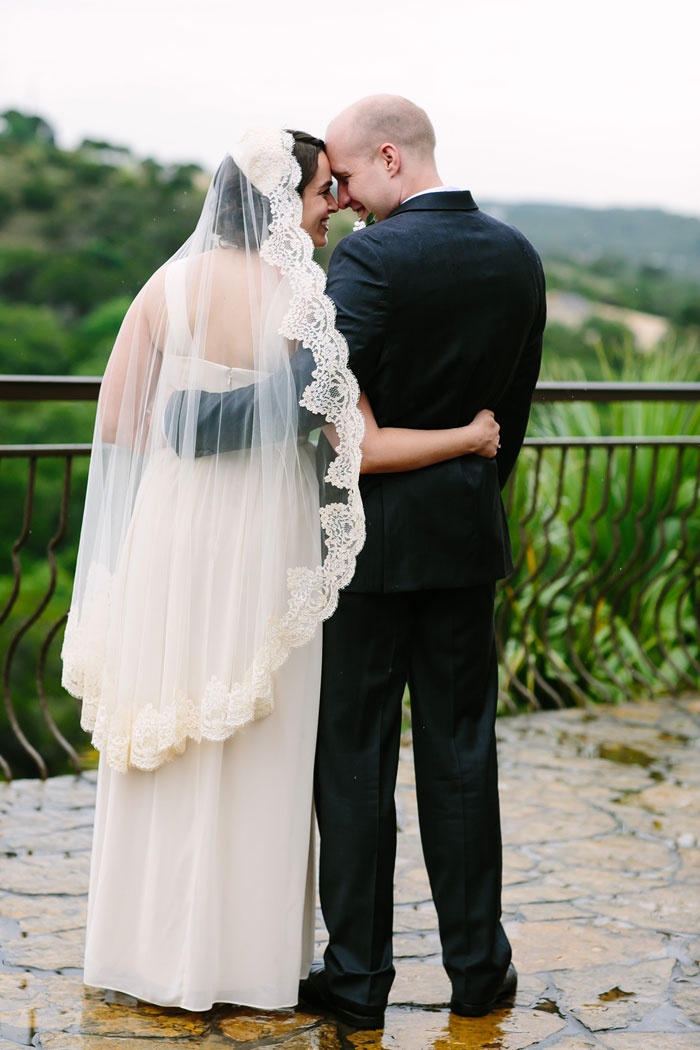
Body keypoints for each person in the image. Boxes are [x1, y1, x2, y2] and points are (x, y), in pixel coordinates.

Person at [62, 126, 501, 1013]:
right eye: (317, 194)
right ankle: (244, 960)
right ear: (280, 203)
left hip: (172, 531)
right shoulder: (303, 300)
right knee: (262, 738)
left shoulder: (166, 283)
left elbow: (118, 427)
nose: (329, 208)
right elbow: (359, 448)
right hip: (267, 538)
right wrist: (469, 436)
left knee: (169, 723)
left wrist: (190, 451)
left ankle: (140, 948)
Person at [184, 98, 546, 1029]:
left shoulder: (375, 258)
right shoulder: (519, 255)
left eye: (343, 178)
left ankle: (359, 981)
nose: (338, 199)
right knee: (463, 758)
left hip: (368, 547)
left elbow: (313, 397)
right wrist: (467, 491)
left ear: (390, 156)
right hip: (466, 540)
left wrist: (186, 423)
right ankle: (478, 972)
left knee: (353, 761)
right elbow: (510, 414)